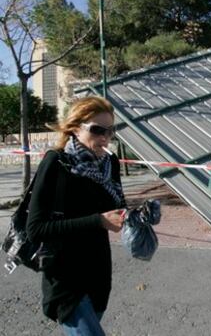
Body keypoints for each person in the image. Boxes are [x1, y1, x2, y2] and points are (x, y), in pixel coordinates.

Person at [26, 96, 126, 336]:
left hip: (98, 277)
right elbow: (36, 228)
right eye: (97, 130)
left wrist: (137, 217)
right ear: (75, 128)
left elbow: (118, 206)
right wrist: (98, 220)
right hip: (65, 279)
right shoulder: (57, 163)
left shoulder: (109, 163)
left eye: (110, 131)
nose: (105, 137)